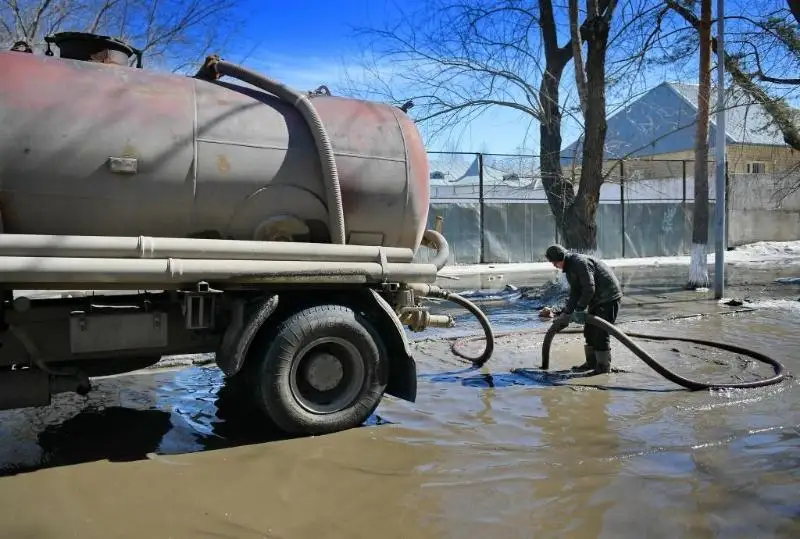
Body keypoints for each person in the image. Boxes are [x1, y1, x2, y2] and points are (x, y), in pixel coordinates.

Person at [545, 244, 623, 374]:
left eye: (554, 262)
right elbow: (575, 292)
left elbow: (589, 288)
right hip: (597, 300)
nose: (554, 265)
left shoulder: (580, 263)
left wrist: (580, 308)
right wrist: (566, 314)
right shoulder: (570, 268)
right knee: (589, 332)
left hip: (609, 298)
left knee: (601, 333)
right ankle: (591, 363)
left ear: (561, 258)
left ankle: (603, 367)